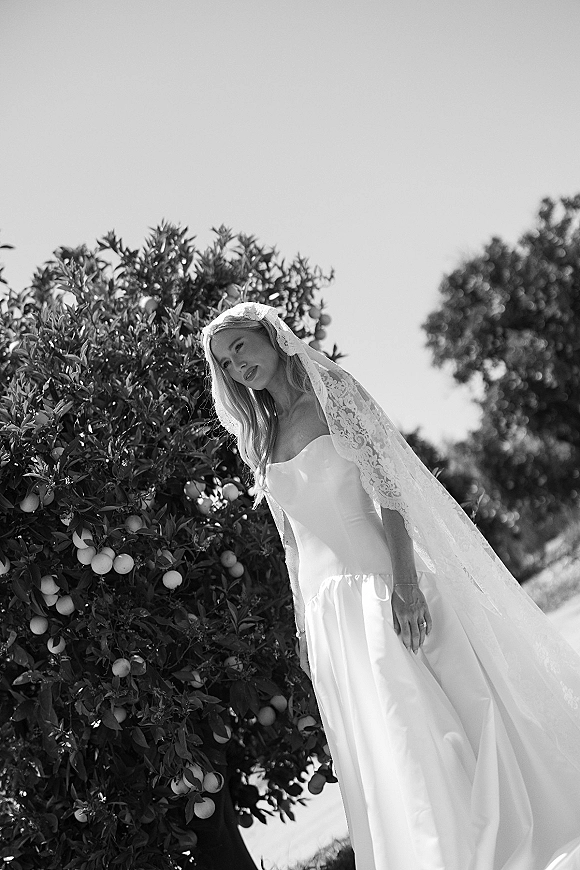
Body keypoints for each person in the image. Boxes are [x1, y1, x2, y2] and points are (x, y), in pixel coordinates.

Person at [202, 300, 580, 870]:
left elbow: (389, 490)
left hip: (379, 584)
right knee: (383, 744)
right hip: (330, 615)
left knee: (420, 719)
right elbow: (292, 542)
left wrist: (403, 581)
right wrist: (306, 627)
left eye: (240, 347)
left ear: (271, 336)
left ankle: (479, 850)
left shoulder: (333, 396)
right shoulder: (260, 437)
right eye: (225, 363)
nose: (236, 365)